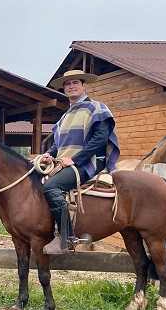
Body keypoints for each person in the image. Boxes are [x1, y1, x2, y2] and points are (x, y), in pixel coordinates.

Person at [42, 70, 120, 254]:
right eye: (67, 84)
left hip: (88, 163)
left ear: (84, 85)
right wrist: (48, 154)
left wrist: (75, 159)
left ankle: (66, 238)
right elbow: (58, 145)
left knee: (51, 187)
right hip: (64, 163)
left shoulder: (97, 108)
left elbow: (100, 140)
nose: (71, 86)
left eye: (75, 82)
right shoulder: (65, 116)